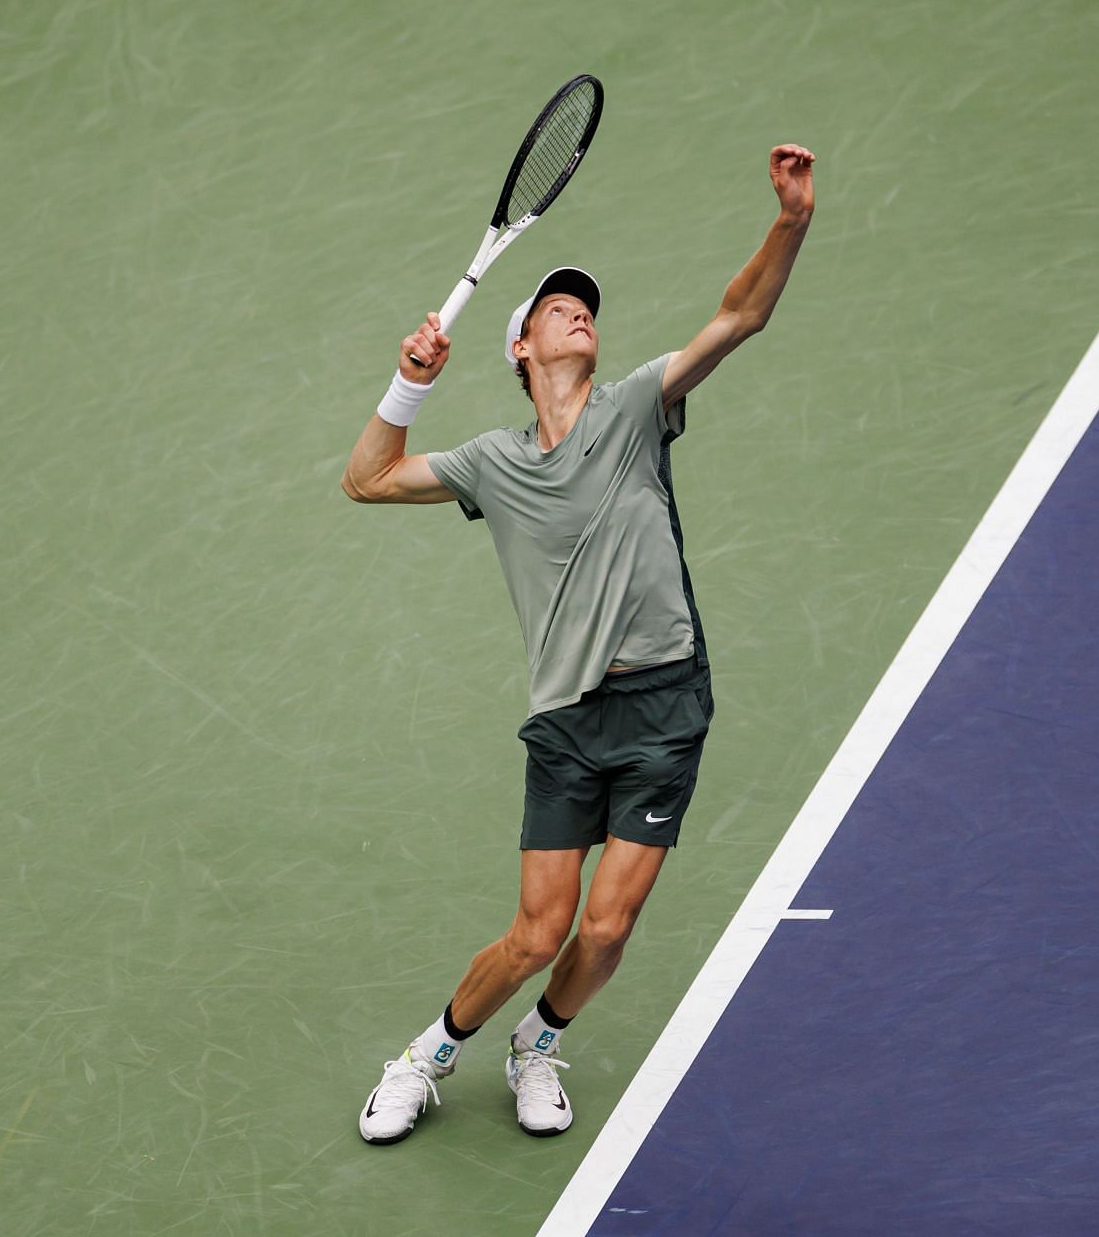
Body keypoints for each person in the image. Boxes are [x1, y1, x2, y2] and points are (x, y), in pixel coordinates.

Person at [342, 144, 816, 1144]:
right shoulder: (496, 463)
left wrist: (790, 221)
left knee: (605, 927)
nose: (578, 312)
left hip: (663, 706)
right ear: (520, 349)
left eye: (584, 305)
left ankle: (538, 1044)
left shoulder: (640, 405)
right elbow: (368, 479)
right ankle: (426, 1053)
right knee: (535, 931)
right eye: (558, 307)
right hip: (565, 717)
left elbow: (740, 315)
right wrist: (407, 384)